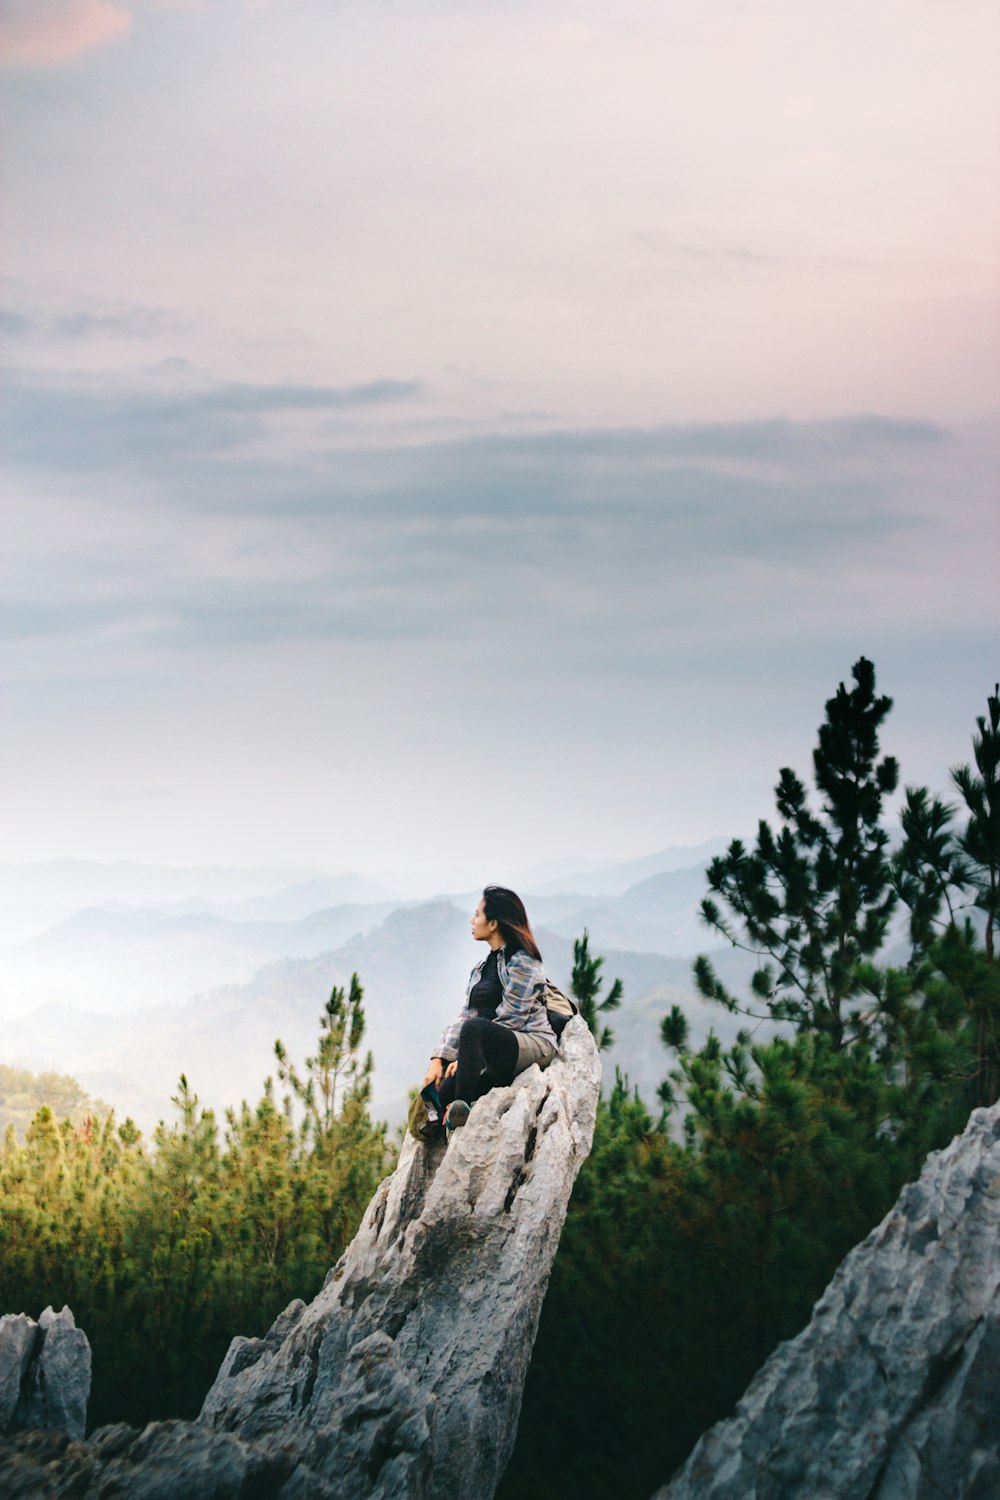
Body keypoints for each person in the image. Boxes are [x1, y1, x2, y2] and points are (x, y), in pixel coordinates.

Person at [422, 885, 557, 1132]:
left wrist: (468, 1056)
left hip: (533, 1043)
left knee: (474, 1032)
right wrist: (439, 1059)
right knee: (444, 1088)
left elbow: (513, 1018)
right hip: (495, 1049)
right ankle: (439, 1122)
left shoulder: (523, 961)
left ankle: (460, 1111)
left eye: (477, 914)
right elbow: (465, 1017)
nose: (472, 920)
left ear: (493, 923)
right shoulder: (482, 969)